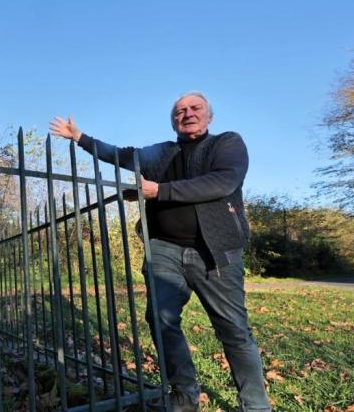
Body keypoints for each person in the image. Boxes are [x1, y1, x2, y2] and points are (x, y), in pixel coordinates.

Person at [49, 92, 271, 412]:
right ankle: (184, 393)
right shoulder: (162, 153)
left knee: (233, 330)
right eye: (180, 111)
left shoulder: (226, 144)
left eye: (195, 108)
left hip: (215, 253)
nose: (188, 114)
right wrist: (80, 137)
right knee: (161, 318)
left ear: (209, 116)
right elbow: (122, 155)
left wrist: (159, 191)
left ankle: (256, 405)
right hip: (164, 249)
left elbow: (222, 183)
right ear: (173, 121)